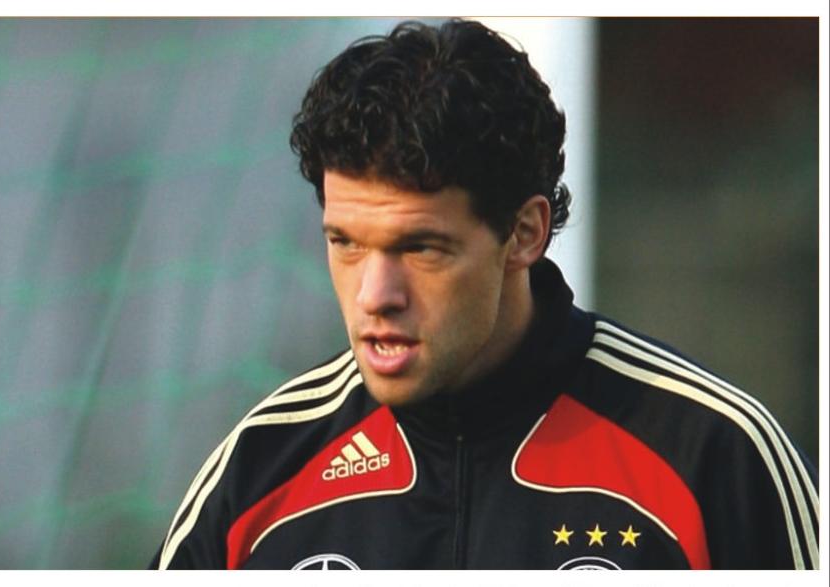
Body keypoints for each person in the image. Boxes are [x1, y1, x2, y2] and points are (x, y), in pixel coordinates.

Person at [149, 19, 818, 570]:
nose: (375, 295)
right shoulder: (261, 470)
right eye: (345, 243)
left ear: (524, 234)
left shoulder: (712, 456)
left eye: (420, 247)